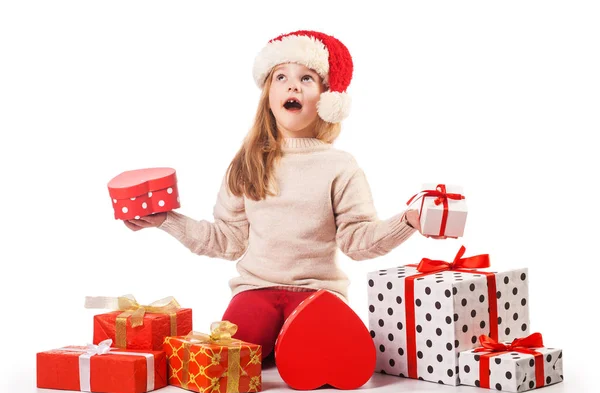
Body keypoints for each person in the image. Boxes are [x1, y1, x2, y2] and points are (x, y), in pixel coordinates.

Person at [124, 30, 426, 363]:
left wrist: (407, 221)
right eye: (281, 77)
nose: (292, 86)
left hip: (318, 293)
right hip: (255, 290)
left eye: (307, 78)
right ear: (269, 94)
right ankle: (277, 346)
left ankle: (302, 351)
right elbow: (227, 240)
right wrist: (167, 221)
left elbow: (358, 240)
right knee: (231, 355)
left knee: (323, 353)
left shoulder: (340, 166)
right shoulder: (247, 163)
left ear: (327, 100)